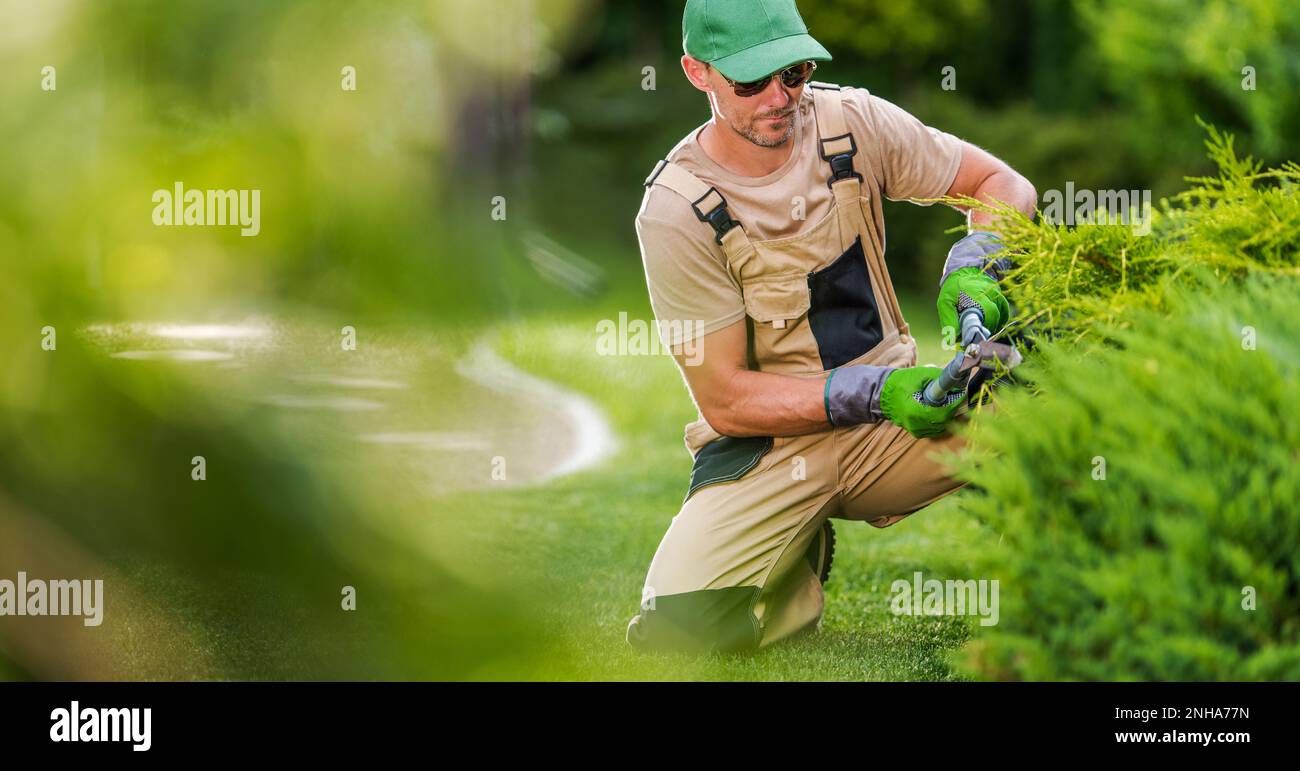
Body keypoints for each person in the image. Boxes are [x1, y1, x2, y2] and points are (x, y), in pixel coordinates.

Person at [626, 0, 1036, 652]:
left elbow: (999, 184)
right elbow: (727, 399)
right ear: (697, 72)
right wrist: (874, 392)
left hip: (900, 423)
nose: (779, 97)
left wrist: (975, 269)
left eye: (794, 72)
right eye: (750, 81)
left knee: (1059, 412)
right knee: (678, 634)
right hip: (770, 447)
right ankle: (795, 558)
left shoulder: (852, 121)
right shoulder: (677, 209)